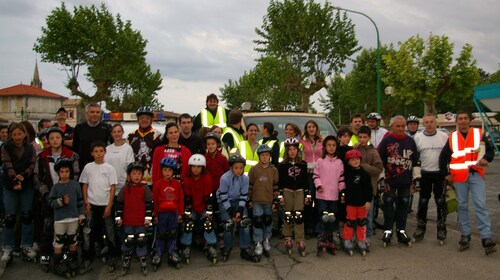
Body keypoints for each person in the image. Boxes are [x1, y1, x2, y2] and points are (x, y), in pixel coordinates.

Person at [439, 112, 497, 254]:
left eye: (465, 119)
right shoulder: (452, 137)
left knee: (480, 205)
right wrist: (446, 175)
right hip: (459, 177)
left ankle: (486, 237)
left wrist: (486, 159)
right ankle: (465, 235)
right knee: (462, 206)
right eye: (461, 119)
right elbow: (443, 158)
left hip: (476, 174)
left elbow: (490, 151)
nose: (463, 121)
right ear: (457, 121)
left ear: (469, 121)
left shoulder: (479, 134)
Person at [34, 126, 80, 270]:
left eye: (57, 137)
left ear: (62, 139)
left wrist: (70, 192)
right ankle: (45, 256)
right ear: (47, 140)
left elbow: (76, 175)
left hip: (68, 198)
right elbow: (37, 177)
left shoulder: (71, 155)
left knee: (67, 231)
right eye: (51, 138)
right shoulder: (42, 157)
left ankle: (65, 257)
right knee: (48, 228)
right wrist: (46, 193)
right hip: (49, 197)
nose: (55, 140)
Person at [378, 115, 419, 247]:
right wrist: (382, 180)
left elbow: (416, 162)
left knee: (404, 205)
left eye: (403, 126)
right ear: (392, 127)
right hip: (390, 180)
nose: (401, 128)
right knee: (388, 204)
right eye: (398, 126)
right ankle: (388, 230)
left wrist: (416, 180)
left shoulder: (410, 142)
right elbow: (380, 162)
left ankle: (401, 231)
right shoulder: (386, 141)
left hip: (405, 181)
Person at [0, 123, 37, 265]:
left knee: (27, 215)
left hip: (26, 183)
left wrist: (24, 175)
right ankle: (7, 247)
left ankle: (26, 245)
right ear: (11, 135)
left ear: (24, 134)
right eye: (14, 134)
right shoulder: (6, 147)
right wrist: (15, 178)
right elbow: (7, 163)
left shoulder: (30, 148)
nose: (17, 137)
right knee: (10, 217)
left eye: (19, 134)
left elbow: (32, 163)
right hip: (10, 185)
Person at [80, 140, 118, 271]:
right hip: (92, 205)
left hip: (105, 204)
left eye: (101, 151)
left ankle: (112, 256)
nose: (99, 154)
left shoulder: (109, 168)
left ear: (105, 152)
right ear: (92, 153)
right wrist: (86, 201)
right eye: (96, 151)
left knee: (110, 231)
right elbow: (84, 184)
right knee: (88, 232)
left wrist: (109, 205)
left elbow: (113, 187)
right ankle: (87, 257)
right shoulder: (88, 167)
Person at [412, 114, 449, 244]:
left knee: (440, 201)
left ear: (435, 122)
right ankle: (420, 227)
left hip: (440, 173)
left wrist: (449, 173)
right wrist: (415, 177)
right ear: (423, 123)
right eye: (426, 122)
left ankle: (441, 227)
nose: (429, 124)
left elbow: (450, 155)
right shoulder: (418, 138)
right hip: (424, 174)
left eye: (431, 122)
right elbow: (415, 159)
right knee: (423, 201)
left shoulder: (444, 136)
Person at [47, 158, 85, 277]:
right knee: (59, 241)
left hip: (73, 218)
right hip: (60, 219)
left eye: (67, 171)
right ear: (58, 173)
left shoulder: (75, 185)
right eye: (62, 172)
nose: (64, 174)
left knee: (72, 240)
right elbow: (51, 202)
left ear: (70, 172)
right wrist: (61, 201)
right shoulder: (56, 187)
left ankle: (72, 261)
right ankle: (58, 262)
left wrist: (81, 215)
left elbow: (80, 201)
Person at [115, 162, 154, 275]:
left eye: (139, 173)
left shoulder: (145, 188)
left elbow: (149, 205)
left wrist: (148, 219)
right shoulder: (125, 189)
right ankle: (126, 260)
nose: (136, 176)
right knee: (128, 241)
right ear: (129, 175)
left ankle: (142, 260)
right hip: (128, 222)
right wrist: (118, 218)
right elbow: (119, 205)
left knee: (141, 241)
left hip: (141, 222)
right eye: (134, 173)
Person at [180, 154, 218, 264]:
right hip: (192, 207)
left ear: (203, 168)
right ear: (190, 167)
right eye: (193, 167)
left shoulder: (206, 178)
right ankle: (186, 246)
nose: (196, 170)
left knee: (208, 223)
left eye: (198, 167)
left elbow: (209, 198)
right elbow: (187, 198)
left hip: (203, 207)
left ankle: (211, 245)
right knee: (188, 224)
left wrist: (208, 212)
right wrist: (188, 213)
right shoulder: (187, 179)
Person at [216, 155, 254, 262]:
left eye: (241, 168)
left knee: (244, 222)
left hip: (238, 201)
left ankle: (245, 248)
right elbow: (223, 196)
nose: (239, 170)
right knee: (228, 224)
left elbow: (243, 196)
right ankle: (227, 248)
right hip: (225, 201)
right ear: (231, 168)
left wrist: (240, 211)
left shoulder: (245, 178)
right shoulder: (224, 178)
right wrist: (232, 213)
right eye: (236, 168)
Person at [313, 135, 345, 256]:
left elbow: (341, 179)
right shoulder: (320, 161)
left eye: (333, 145)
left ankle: (329, 240)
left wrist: (342, 191)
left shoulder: (339, 162)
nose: (331, 148)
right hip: (322, 195)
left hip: (334, 196)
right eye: (329, 145)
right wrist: (319, 185)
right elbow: (315, 176)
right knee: (323, 217)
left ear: (336, 147)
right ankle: (321, 241)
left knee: (332, 218)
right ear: (325, 147)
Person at [151, 158, 184, 270]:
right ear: (161, 171)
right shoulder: (158, 184)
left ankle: (172, 251)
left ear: (173, 172)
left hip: (173, 213)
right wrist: (155, 215)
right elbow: (154, 200)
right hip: (161, 213)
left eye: (170, 170)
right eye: (165, 170)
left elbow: (180, 199)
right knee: (161, 233)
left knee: (173, 233)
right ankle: (158, 252)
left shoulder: (177, 184)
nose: (167, 173)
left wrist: (180, 213)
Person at [278, 138, 308, 257]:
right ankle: (288, 237)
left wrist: (308, 194)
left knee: (299, 215)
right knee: (288, 214)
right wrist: (280, 195)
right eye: (289, 149)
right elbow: (280, 181)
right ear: (286, 151)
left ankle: (300, 239)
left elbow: (306, 180)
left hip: (299, 191)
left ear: (298, 150)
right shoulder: (282, 165)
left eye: (294, 149)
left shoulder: (303, 164)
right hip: (287, 191)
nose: (292, 151)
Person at [248, 144, 279, 260]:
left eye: (267, 155)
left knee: (267, 220)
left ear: (270, 156)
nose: (265, 157)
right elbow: (250, 185)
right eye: (262, 155)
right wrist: (249, 199)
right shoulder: (254, 169)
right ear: (259, 156)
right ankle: (258, 242)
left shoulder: (273, 170)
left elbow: (275, 186)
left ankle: (266, 239)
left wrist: (275, 201)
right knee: (257, 221)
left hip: (268, 200)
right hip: (257, 200)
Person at [356, 126, 383, 247]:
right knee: (357, 213)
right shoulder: (355, 149)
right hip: (357, 187)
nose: (362, 139)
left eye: (364, 137)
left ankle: (368, 234)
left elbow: (378, 169)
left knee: (368, 213)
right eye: (360, 137)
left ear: (369, 138)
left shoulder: (373, 152)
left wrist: (364, 166)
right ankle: (359, 234)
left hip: (369, 188)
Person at [341, 150, 373, 256]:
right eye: (352, 160)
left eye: (357, 159)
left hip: (362, 204)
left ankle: (361, 240)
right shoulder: (347, 173)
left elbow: (369, 189)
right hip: (350, 203)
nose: (355, 161)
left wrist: (368, 200)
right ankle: (347, 239)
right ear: (348, 162)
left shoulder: (364, 174)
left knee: (361, 223)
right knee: (350, 222)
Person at [127, 106, 163, 186]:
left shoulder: (159, 136)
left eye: (147, 118)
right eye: (142, 117)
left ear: (152, 120)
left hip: (153, 180)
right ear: (138, 120)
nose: (144, 120)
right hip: (135, 181)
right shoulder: (130, 136)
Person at [300, 120, 323, 238]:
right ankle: (308, 227)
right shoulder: (301, 142)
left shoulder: (322, 141)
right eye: (309, 127)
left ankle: (318, 227)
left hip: (320, 174)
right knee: (308, 201)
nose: (311, 129)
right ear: (306, 129)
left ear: (316, 128)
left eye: (313, 126)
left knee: (319, 201)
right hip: (307, 174)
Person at [73, 103, 112, 172]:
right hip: (84, 167)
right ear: (86, 114)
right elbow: (75, 147)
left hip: (102, 167)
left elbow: (112, 146)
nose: (95, 114)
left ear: (100, 114)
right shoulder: (79, 128)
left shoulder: (106, 128)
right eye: (92, 112)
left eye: (97, 112)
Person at [105, 124, 135, 196]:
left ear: (122, 132)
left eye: (119, 131)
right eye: (114, 132)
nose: (116, 134)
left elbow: (130, 167)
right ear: (111, 134)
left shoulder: (128, 148)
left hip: (123, 186)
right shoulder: (107, 149)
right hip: (109, 186)